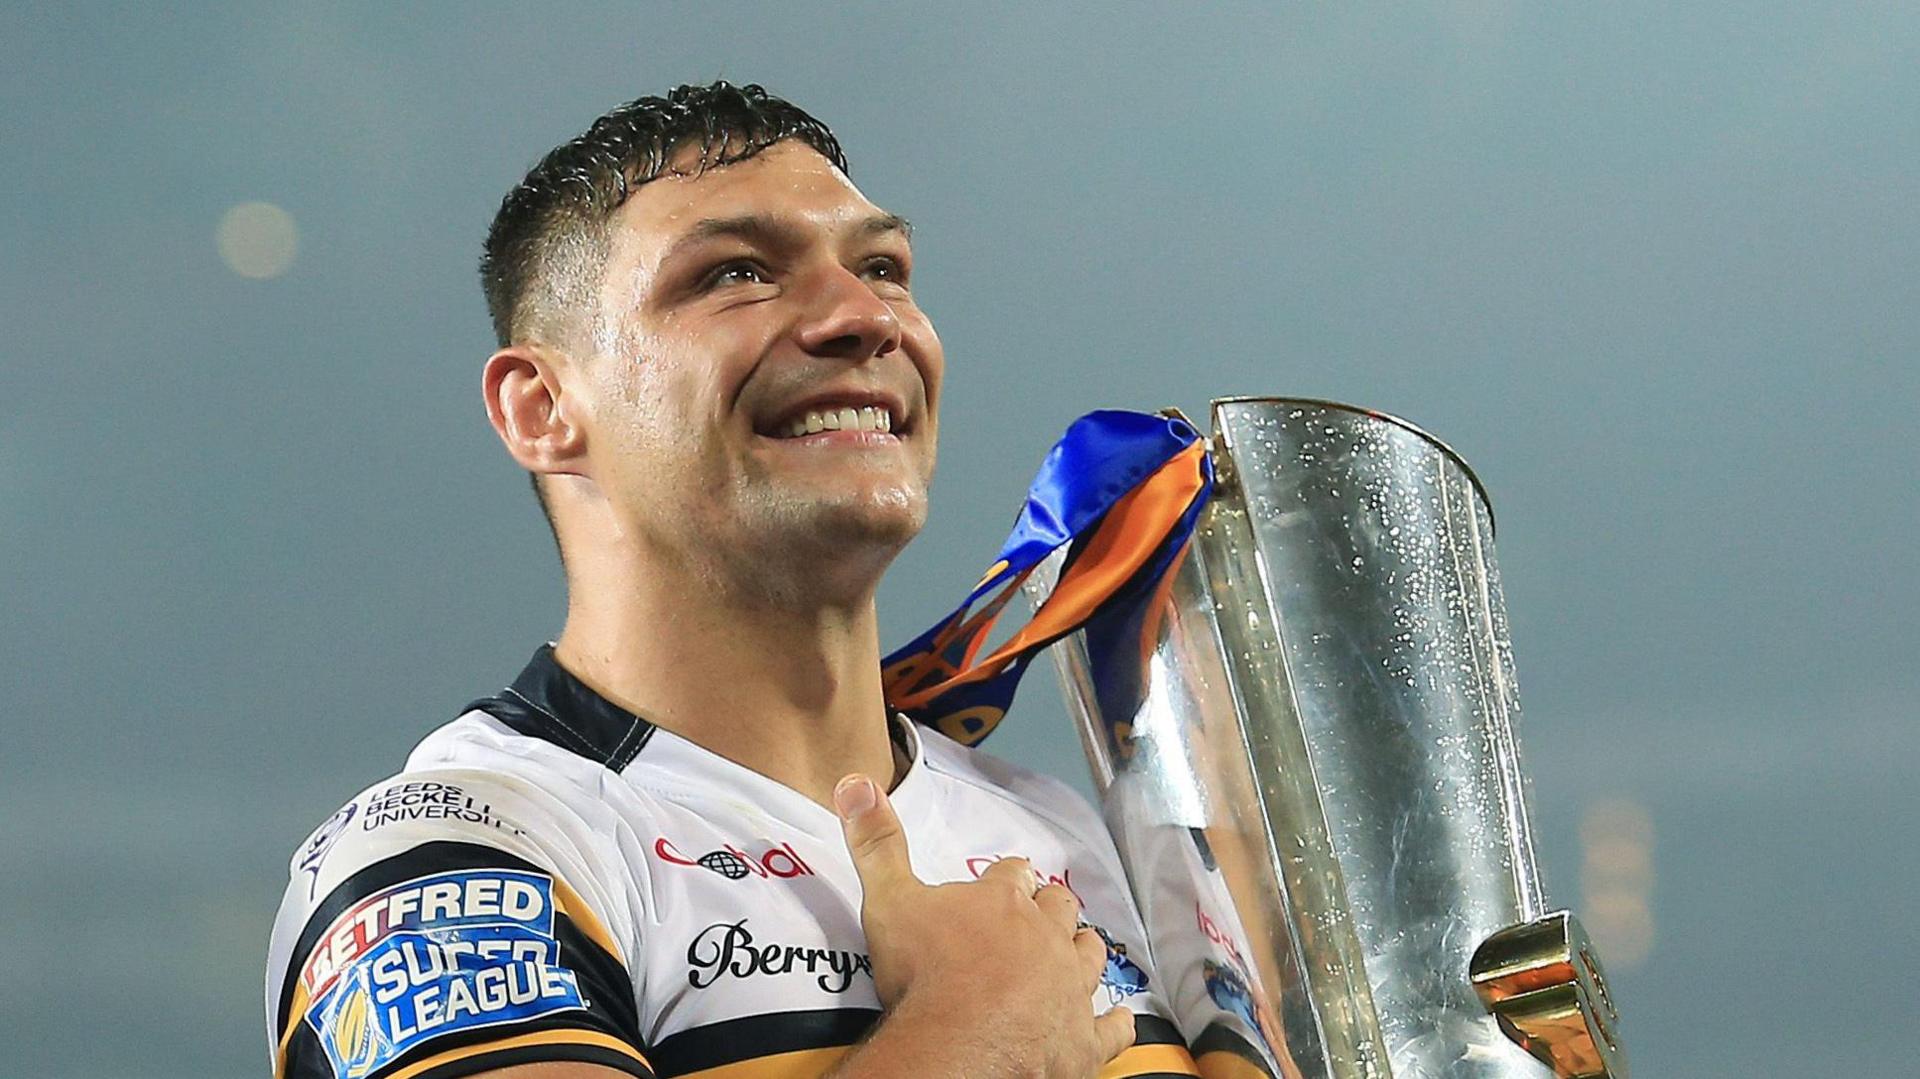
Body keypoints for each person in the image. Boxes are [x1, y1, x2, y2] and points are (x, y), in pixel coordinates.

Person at [264, 82, 1202, 1079]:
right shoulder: (455, 854)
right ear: (541, 407)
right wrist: (982, 1037)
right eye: (737, 273)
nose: (862, 317)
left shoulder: (1063, 832)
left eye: (883, 267)